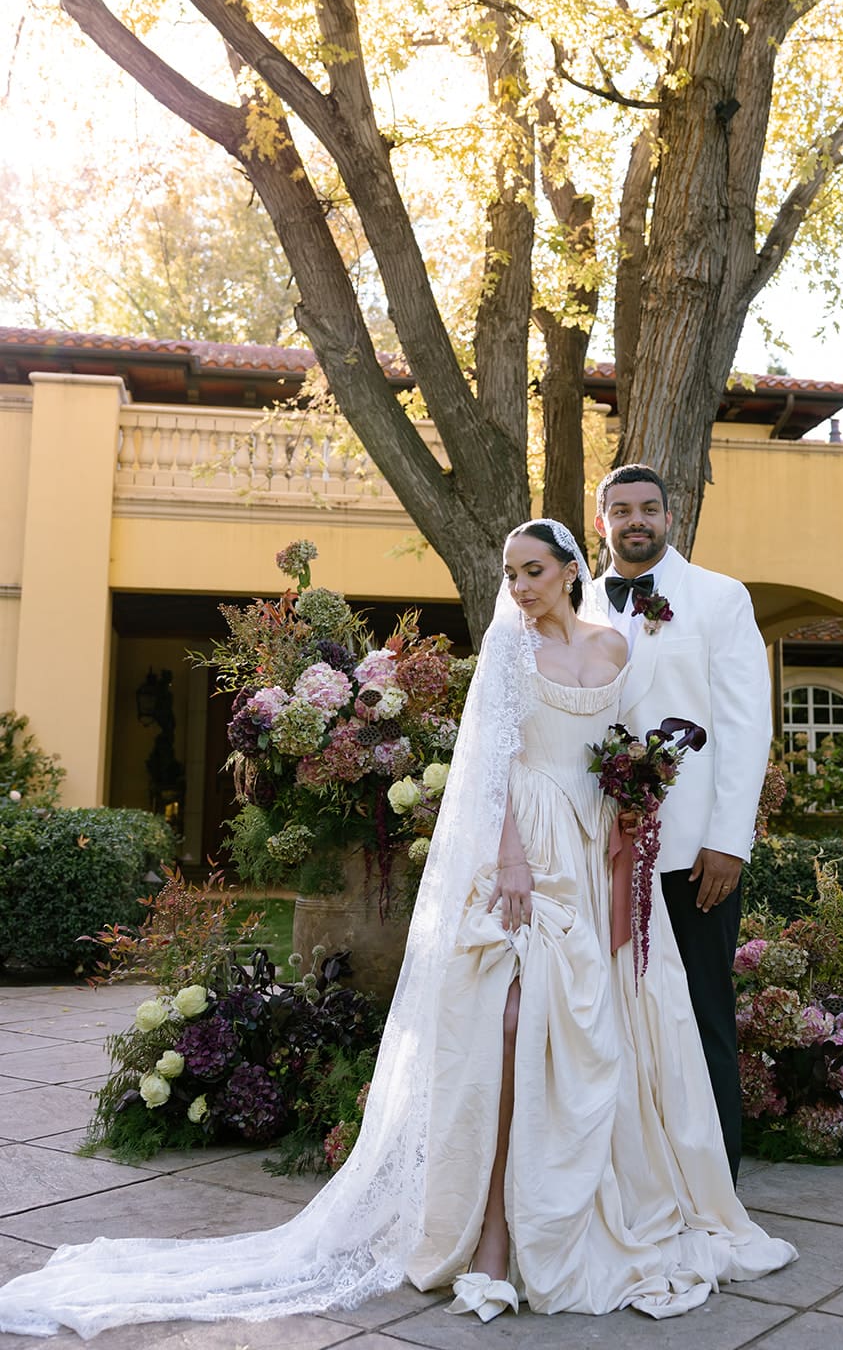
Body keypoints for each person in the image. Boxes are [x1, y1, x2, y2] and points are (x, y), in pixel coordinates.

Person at [0, 519, 794, 1339]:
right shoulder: (508, 652)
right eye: (509, 572)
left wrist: (633, 806)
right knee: (510, 1019)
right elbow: (495, 766)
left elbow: (620, 750)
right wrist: (512, 864)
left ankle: (595, 1203)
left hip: (597, 850)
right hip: (524, 844)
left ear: (568, 572)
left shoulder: (614, 650)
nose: (518, 587)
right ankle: (492, 1234)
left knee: (610, 1026)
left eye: (532, 571)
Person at [587, 466, 772, 1183]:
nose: (636, 520)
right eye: (621, 510)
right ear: (601, 520)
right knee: (606, 1013)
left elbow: (743, 724)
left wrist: (729, 839)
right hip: (595, 847)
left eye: (649, 509)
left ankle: (714, 1177)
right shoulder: (575, 605)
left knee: (700, 1012)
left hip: (694, 849)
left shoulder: (720, 598)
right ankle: (627, 1174)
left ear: (670, 516)